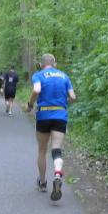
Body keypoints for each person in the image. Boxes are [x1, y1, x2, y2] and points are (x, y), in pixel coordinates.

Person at [27, 53, 76, 201]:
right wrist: (62, 103)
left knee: (42, 150)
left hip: (44, 115)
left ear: (41, 64)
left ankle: (43, 183)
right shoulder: (64, 76)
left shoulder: (38, 75)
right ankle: (57, 174)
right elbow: (73, 97)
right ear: (54, 63)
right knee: (56, 149)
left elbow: (36, 90)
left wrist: (30, 104)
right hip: (60, 115)